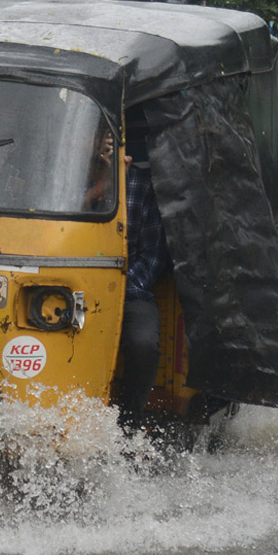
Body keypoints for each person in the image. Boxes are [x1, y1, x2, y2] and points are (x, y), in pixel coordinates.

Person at [116, 111, 171, 431]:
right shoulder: (66, 181)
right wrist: (103, 185)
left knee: (143, 343)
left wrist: (122, 284)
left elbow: (153, 254)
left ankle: (130, 417)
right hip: (73, 289)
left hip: (129, 288)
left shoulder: (139, 185)